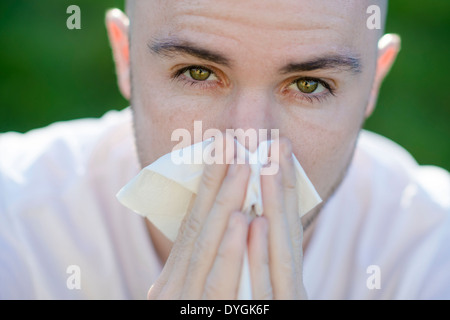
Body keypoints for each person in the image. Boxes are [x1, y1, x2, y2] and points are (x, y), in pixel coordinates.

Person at [0, 0, 449, 300]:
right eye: (197, 73)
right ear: (126, 57)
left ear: (372, 82)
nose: (247, 143)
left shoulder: (431, 252)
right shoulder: (14, 226)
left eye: (309, 85)